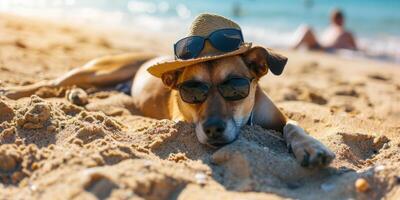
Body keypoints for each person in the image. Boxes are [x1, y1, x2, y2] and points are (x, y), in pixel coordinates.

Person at [293, 9, 357, 51]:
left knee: (307, 28)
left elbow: (355, 48)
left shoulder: (346, 33)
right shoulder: (332, 29)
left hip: (323, 49)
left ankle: (294, 48)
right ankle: (294, 47)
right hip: (321, 47)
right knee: (305, 27)